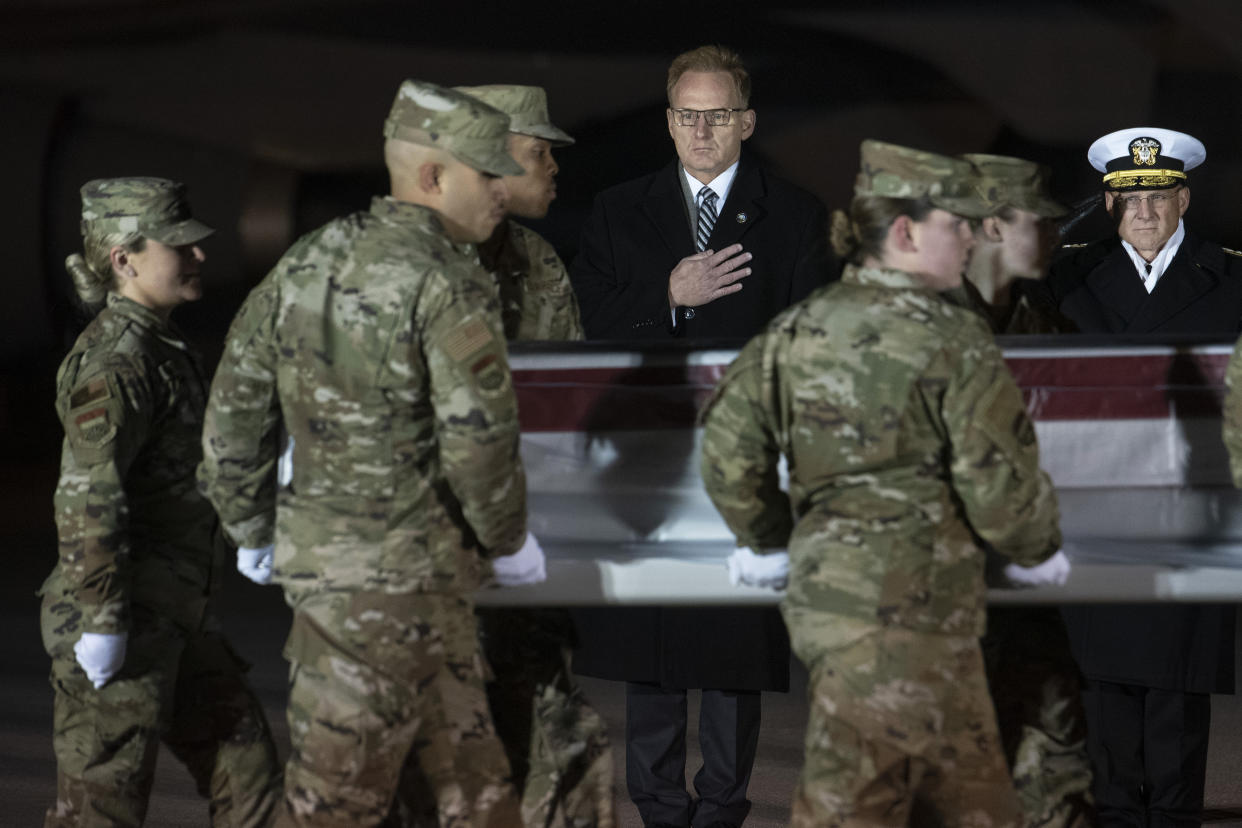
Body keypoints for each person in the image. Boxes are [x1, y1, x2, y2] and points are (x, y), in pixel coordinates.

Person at [198, 80, 545, 827]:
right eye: (489, 173)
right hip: (407, 593)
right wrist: (509, 540)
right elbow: (480, 443)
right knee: (348, 807)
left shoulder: (302, 263)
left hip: (338, 596)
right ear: (433, 177)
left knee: (469, 797)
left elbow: (232, 416)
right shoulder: (448, 284)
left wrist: (251, 528)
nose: (504, 189)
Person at [700, 140, 1064, 827]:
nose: (967, 239)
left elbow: (725, 450)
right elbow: (1003, 493)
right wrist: (1039, 546)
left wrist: (771, 540)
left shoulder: (795, 330)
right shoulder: (955, 340)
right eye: (953, 226)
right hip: (930, 610)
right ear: (903, 232)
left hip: (833, 611)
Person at [568, 44, 832, 828]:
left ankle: (722, 805)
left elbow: (811, 340)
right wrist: (667, 295)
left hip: (744, 466)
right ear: (670, 121)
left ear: (745, 122)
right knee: (650, 651)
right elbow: (581, 321)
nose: (703, 131)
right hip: (649, 464)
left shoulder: (794, 215)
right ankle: (655, 805)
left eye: (718, 115)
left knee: (732, 648)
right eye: (689, 115)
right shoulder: (620, 209)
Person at [40, 177, 281, 827]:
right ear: (125, 259)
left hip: (177, 618)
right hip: (122, 620)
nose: (199, 256)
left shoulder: (163, 347)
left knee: (252, 780)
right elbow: (90, 495)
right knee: (101, 810)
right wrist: (101, 621)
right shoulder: (116, 364)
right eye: (179, 245)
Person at [1047, 127, 1240, 828]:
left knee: (1177, 697)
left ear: (1183, 198)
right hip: (1099, 514)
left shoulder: (1232, 277)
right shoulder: (1066, 278)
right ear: (1109, 204)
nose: (1147, 211)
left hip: (1190, 514)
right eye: (1132, 199)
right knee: (1103, 690)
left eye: (1159, 195)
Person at [455, 82, 613, 828]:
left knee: (566, 750)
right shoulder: (401, 268)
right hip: (431, 579)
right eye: (538, 152)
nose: (554, 168)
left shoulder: (540, 263)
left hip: (524, 564)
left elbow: (564, 407)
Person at [954, 154, 1094, 828]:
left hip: (1025, 599)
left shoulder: (1044, 323)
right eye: (1037, 221)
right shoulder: (913, 326)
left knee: (1058, 783)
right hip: (940, 608)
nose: (1056, 233)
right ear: (986, 226)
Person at [456, 83, 584, 342]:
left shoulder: (537, 255)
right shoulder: (413, 258)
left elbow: (569, 367)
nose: (553, 167)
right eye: (538, 152)